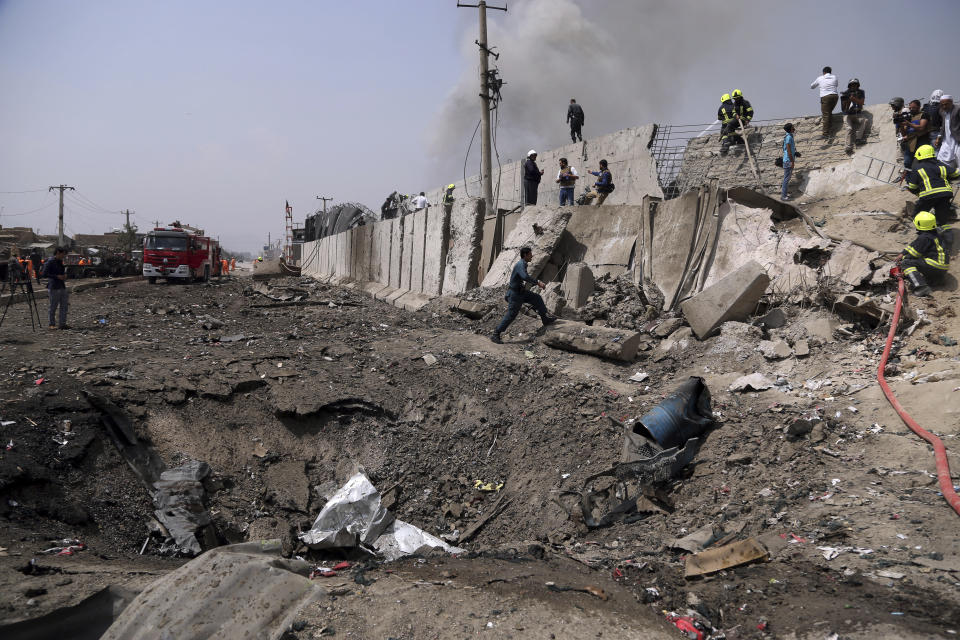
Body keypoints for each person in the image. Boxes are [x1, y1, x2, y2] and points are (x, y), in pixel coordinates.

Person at [490, 246, 555, 344]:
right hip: (515, 294)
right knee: (511, 315)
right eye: (530, 254)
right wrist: (537, 282)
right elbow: (524, 276)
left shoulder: (523, 264)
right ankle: (496, 334)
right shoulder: (520, 264)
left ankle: (545, 319)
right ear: (525, 255)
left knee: (537, 298)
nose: (532, 256)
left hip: (521, 292)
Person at [905, 144, 959, 246]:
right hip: (945, 194)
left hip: (928, 195)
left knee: (917, 214)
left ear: (920, 156)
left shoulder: (917, 168)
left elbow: (912, 186)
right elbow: (956, 173)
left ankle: (924, 236)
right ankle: (948, 238)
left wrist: (917, 192)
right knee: (942, 217)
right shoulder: (941, 165)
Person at [899, 211, 948, 297]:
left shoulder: (924, 238)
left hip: (935, 264)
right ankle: (936, 279)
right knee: (920, 261)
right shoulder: (932, 233)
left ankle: (921, 287)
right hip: (942, 266)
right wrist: (903, 253)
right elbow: (914, 244)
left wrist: (903, 259)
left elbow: (915, 254)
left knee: (906, 263)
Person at [42, 247, 69, 329]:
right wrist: (56, 276)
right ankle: (51, 324)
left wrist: (64, 275)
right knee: (53, 306)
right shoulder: (50, 262)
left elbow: (61, 272)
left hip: (62, 286)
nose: (63, 256)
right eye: (62, 254)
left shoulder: (60, 262)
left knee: (64, 306)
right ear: (58, 252)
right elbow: (44, 274)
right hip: (54, 287)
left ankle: (62, 324)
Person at [899, 100, 930, 170]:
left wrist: (909, 124)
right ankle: (908, 179)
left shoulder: (924, 115)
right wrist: (901, 125)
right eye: (910, 108)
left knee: (923, 162)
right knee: (907, 163)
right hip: (910, 143)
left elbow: (922, 127)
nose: (911, 109)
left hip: (921, 141)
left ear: (919, 107)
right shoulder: (909, 117)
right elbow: (904, 134)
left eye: (914, 108)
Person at [810, 66, 839, 137]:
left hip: (826, 97)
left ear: (824, 72)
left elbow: (812, 86)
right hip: (835, 96)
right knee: (829, 112)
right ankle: (830, 127)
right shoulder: (834, 77)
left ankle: (825, 133)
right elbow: (836, 85)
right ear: (830, 72)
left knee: (825, 115)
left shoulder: (820, 78)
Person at [840, 78, 866, 154]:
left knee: (864, 120)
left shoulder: (861, 92)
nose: (853, 87)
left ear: (858, 86)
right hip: (848, 115)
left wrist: (853, 98)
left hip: (857, 113)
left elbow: (861, 103)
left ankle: (858, 139)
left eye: (855, 85)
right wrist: (848, 100)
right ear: (849, 86)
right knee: (849, 128)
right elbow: (844, 109)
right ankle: (848, 146)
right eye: (852, 85)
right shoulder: (845, 93)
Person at [937, 95, 960, 169]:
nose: (944, 106)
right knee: (942, 157)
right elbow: (943, 125)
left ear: (951, 102)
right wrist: (939, 137)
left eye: (946, 104)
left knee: (958, 156)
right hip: (946, 139)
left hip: (957, 138)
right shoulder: (942, 111)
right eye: (942, 104)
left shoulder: (957, 109)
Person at [781, 123, 796, 201]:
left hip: (788, 159)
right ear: (790, 129)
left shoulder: (788, 136)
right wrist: (792, 161)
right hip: (788, 160)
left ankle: (784, 195)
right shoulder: (789, 137)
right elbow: (789, 151)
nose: (794, 129)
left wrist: (795, 153)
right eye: (793, 128)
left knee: (786, 178)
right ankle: (783, 196)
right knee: (786, 179)